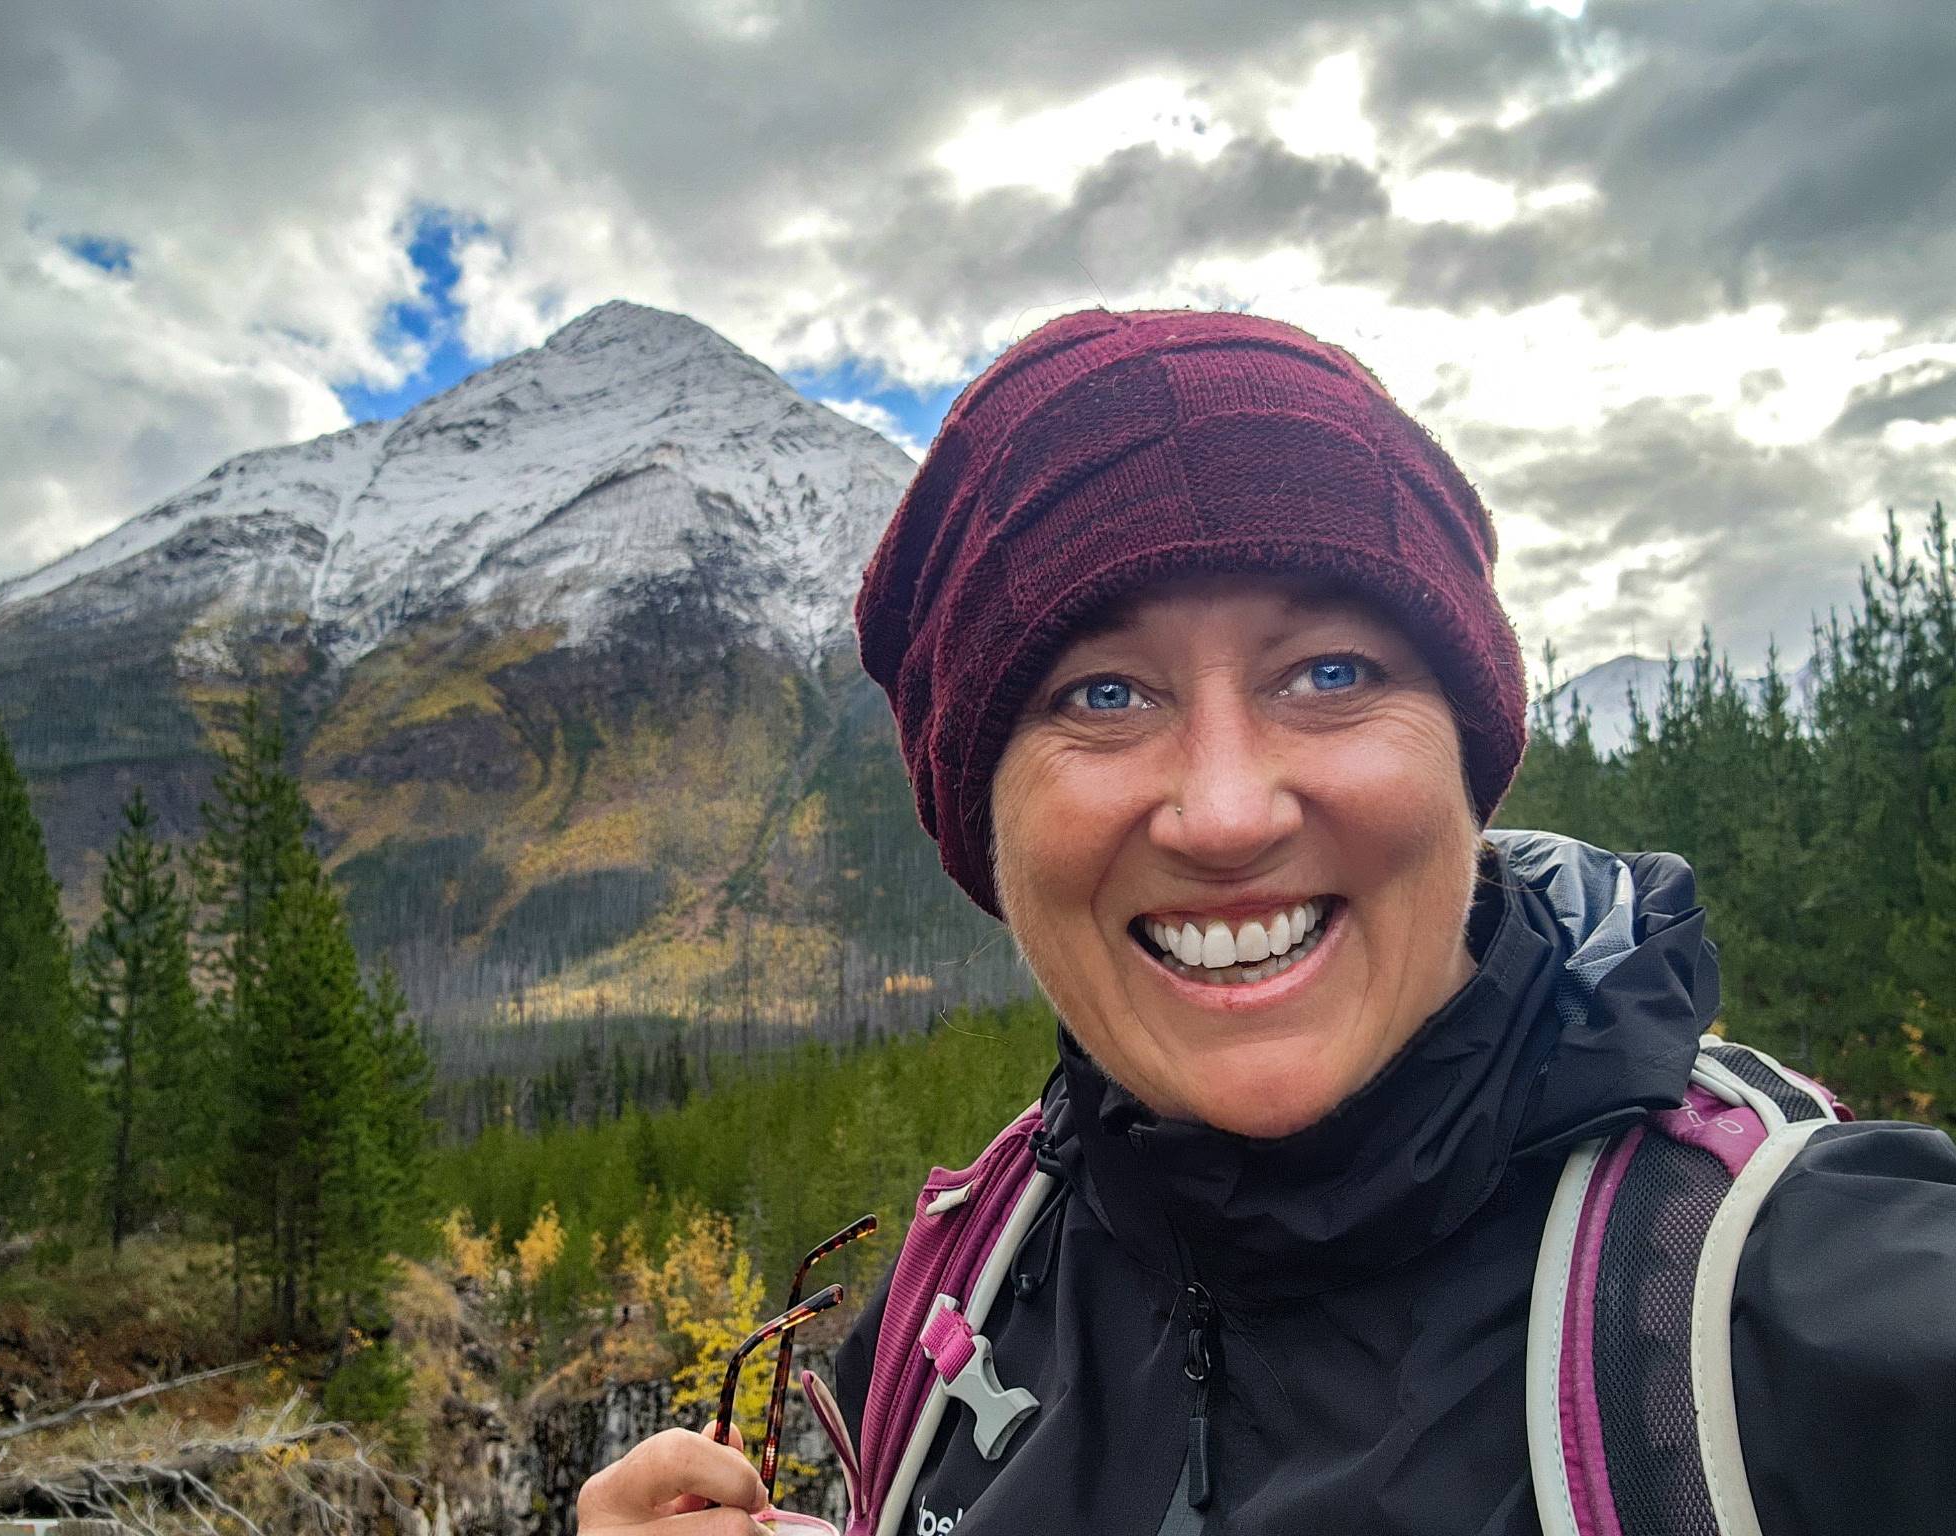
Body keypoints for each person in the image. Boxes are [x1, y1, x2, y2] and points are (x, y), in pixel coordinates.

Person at [576, 309, 1956, 1535]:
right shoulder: (951, 1302)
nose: (1227, 813)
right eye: (1103, 694)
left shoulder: (1802, 1320)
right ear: (981, 824)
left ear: (1468, 756)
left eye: (1333, 670)